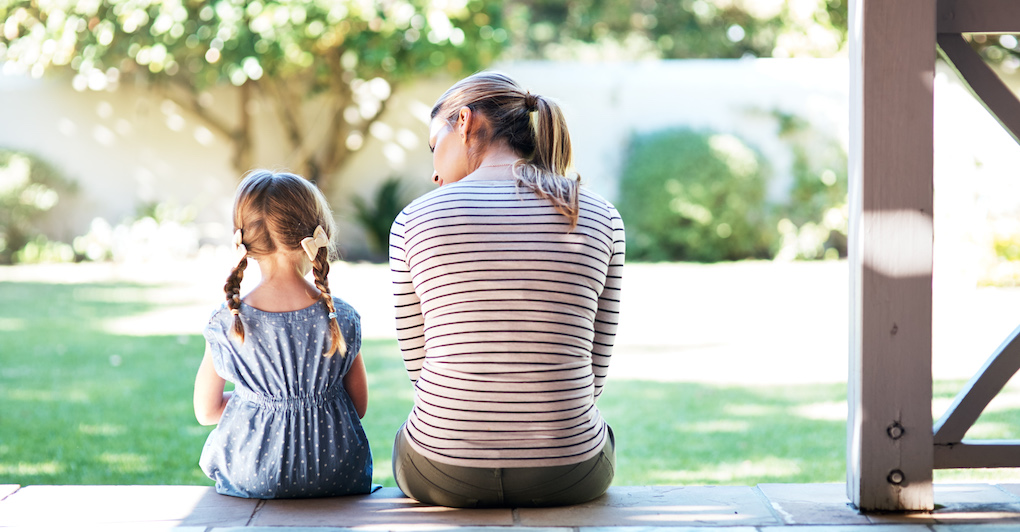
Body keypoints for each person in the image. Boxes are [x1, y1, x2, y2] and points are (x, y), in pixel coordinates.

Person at [389, 71, 625, 508]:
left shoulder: (413, 220)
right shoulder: (599, 214)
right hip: (569, 471)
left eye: (432, 146)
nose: (434, 171)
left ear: (463, 121)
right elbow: (594, 370)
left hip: (442, 471)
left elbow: (420, 368)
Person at [194, 170, 373, 499]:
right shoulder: (342, 317)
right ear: (318, 234)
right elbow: (358, 406)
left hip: (253, 474)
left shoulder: (227, 321)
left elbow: (206, 412)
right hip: (336, 473)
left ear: (243, 242)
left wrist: (259, 400)